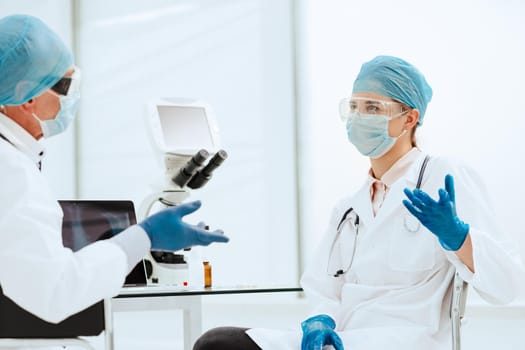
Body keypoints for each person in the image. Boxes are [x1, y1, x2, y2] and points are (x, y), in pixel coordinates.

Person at [193, 55, 524, 350]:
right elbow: (325, 287)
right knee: (218, 343)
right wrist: (320, 320)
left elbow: (507, 286)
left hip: (406, 339)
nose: (358, 118)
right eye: (353, 107)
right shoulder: (349, 208)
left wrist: (459, 238)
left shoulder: (444, 177)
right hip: (345, 338)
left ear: (409, 118)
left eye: (373, 108)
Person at [0, 14, 229, 324]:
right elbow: (55, 290)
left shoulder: (15, 158)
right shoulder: (12, 172)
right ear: (26, 97)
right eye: (64, 85)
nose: (72, 98)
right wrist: (144, 236)